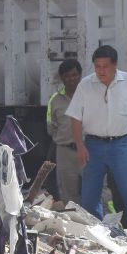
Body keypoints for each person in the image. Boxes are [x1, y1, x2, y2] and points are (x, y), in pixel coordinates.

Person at [66, 45, 127, 232]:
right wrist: (80, 145)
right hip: (93, 146)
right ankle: (97, 236)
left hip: (122, 145)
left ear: (115, 66)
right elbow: (75, 116)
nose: (101, 71)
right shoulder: (86, 85)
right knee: (89, 196)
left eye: (105, 66)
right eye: (97, 66)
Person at [47, 59, 83, 206]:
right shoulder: (54, 100)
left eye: (75, 75)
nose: (71, 79)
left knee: (98, 192)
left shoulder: (88, 96)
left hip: (88, 149)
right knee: (68, 194)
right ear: (62, 78)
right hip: (65, 152)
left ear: (80, 75)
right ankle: (77, 227)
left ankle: (103, 225)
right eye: (67, 76)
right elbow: (51, 127)